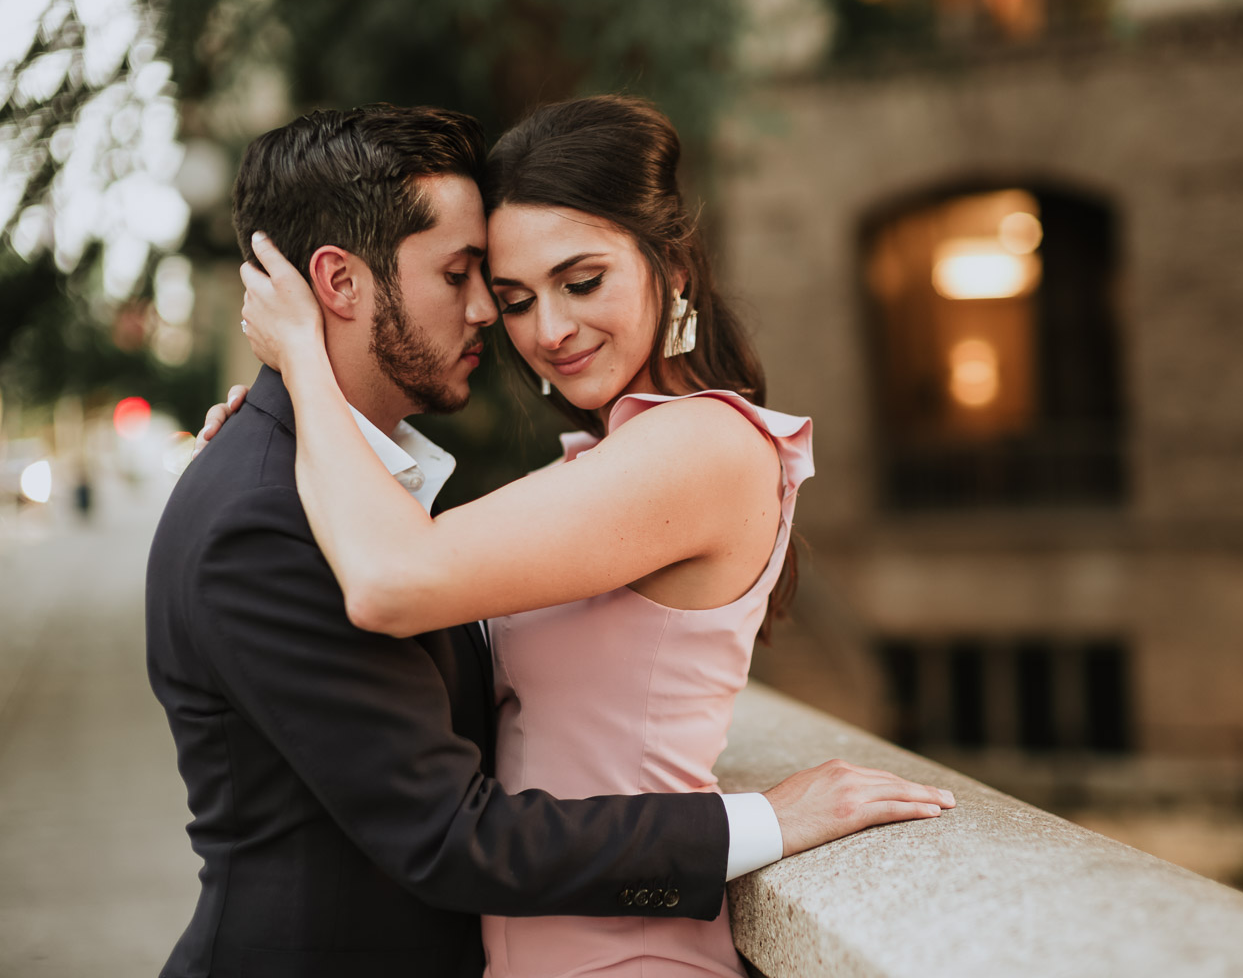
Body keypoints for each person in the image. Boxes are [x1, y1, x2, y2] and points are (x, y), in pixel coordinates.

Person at [156, 102, 952, 978]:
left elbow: (395, 580)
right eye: (510, 294)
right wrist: (286, 430)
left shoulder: (699, 446)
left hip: (624, 954)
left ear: (673, 267)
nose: (538, 330)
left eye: (582, 282)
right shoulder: (593, 459)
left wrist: (301, 373)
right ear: (341, 284)